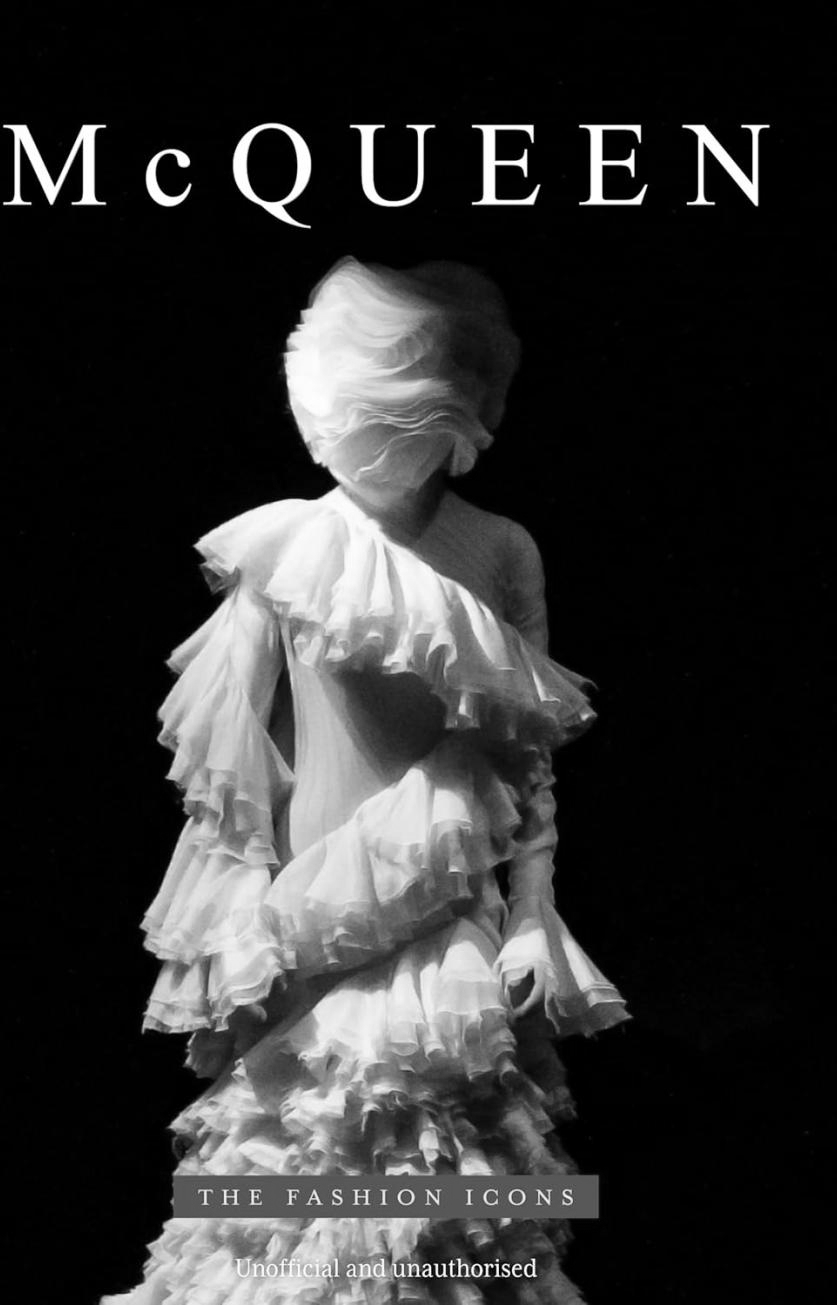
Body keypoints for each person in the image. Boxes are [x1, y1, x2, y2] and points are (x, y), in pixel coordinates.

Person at [101, 255, 630, 1305]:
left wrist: (535, 912)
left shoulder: (500, 549)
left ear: (456, 407)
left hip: (451, 921)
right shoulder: (285, 544)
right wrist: (239, 914)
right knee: (285, 1188)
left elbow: (526, 759)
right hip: (308, 914)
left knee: (449, 1203)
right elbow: (229, 763)